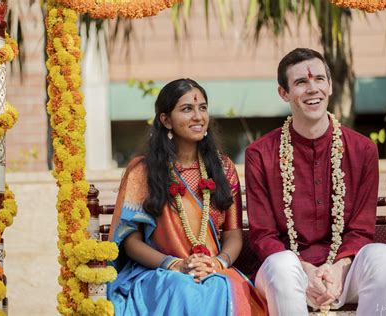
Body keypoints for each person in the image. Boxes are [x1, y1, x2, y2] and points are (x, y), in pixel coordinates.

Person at [245, 48, 386, 315]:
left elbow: (361, 229)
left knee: (385, 258)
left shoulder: (362, 150)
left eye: (319, 79)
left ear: (330, 86)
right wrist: (306, 270)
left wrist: (338, 268)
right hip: (285, 277)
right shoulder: (260, 154)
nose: (312, 88)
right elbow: (263, 235)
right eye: (301, 82)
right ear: (283, 93)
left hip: (344, 272)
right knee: (283, 265)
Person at [108, 78, 267, 316]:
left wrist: (218, 263)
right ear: (165, 120)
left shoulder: (223, 168)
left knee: (219, 287)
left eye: (202, 108)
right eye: (187, 109)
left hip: (213, 271)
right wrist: (174, 264)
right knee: (181, 288)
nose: (198, 116)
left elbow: (233, 234)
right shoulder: (143, 171)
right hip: (159, 273)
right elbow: (130, 242)